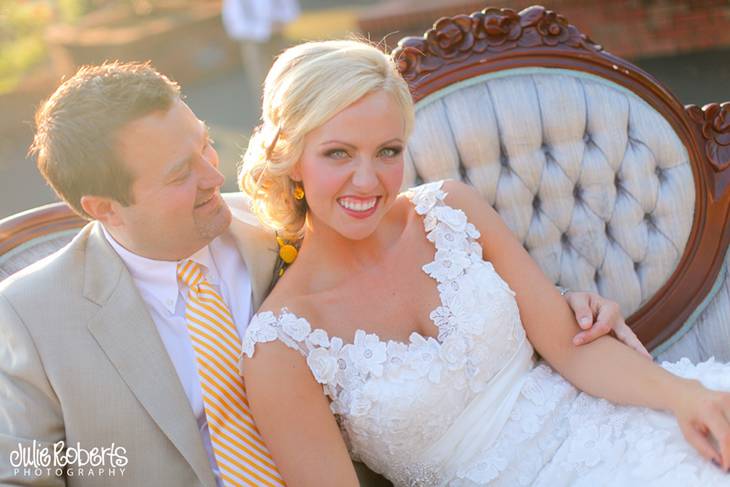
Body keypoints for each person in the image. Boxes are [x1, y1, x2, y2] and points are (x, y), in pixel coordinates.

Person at [0, 62, 632, 486]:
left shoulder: (286, 222)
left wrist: (550, 303)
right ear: (104, 208)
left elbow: (396, 274)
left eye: (204, 145)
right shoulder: (32, 313)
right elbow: (26, 469)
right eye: (178, 174)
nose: (210, 177)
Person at [239, 39, 730, 486]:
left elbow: (573, 349)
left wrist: (684, 396)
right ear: (291, 158)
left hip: (602, 423)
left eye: (387, 151)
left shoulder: (450, 211)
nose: (367, 181)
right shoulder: (281, 345)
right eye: (338, 153)